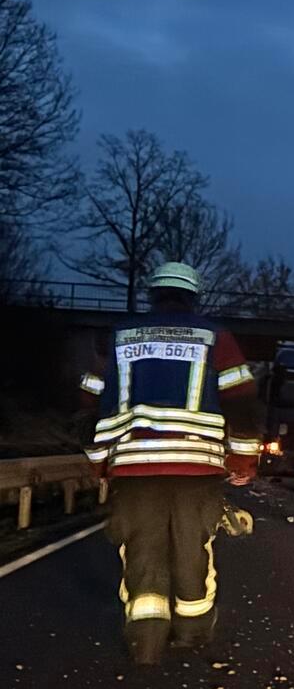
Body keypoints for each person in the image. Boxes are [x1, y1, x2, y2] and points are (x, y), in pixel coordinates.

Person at [79, 262, 263, 665]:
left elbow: (90, 401)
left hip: (133, 465)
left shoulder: (118, 337)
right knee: (191, 546)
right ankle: (193, 630)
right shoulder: (216, 338)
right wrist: (244, 458)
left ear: (154, 294)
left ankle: (144, 637)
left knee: (141, 547)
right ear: (193, 297)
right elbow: (241, 401)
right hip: (196, 467)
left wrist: (97, 461)